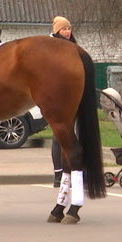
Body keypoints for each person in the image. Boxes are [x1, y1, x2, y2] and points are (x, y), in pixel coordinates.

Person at [49, 16, 77, 187]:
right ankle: (58, 173)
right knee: (58, 136)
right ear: (57, 31)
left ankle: (70, 171)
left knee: (69, 135)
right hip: (56, 96)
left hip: (71, 96)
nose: (67, 32)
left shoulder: (73, 46)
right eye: (64, 29)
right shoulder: (52, 47)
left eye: (69, 28)